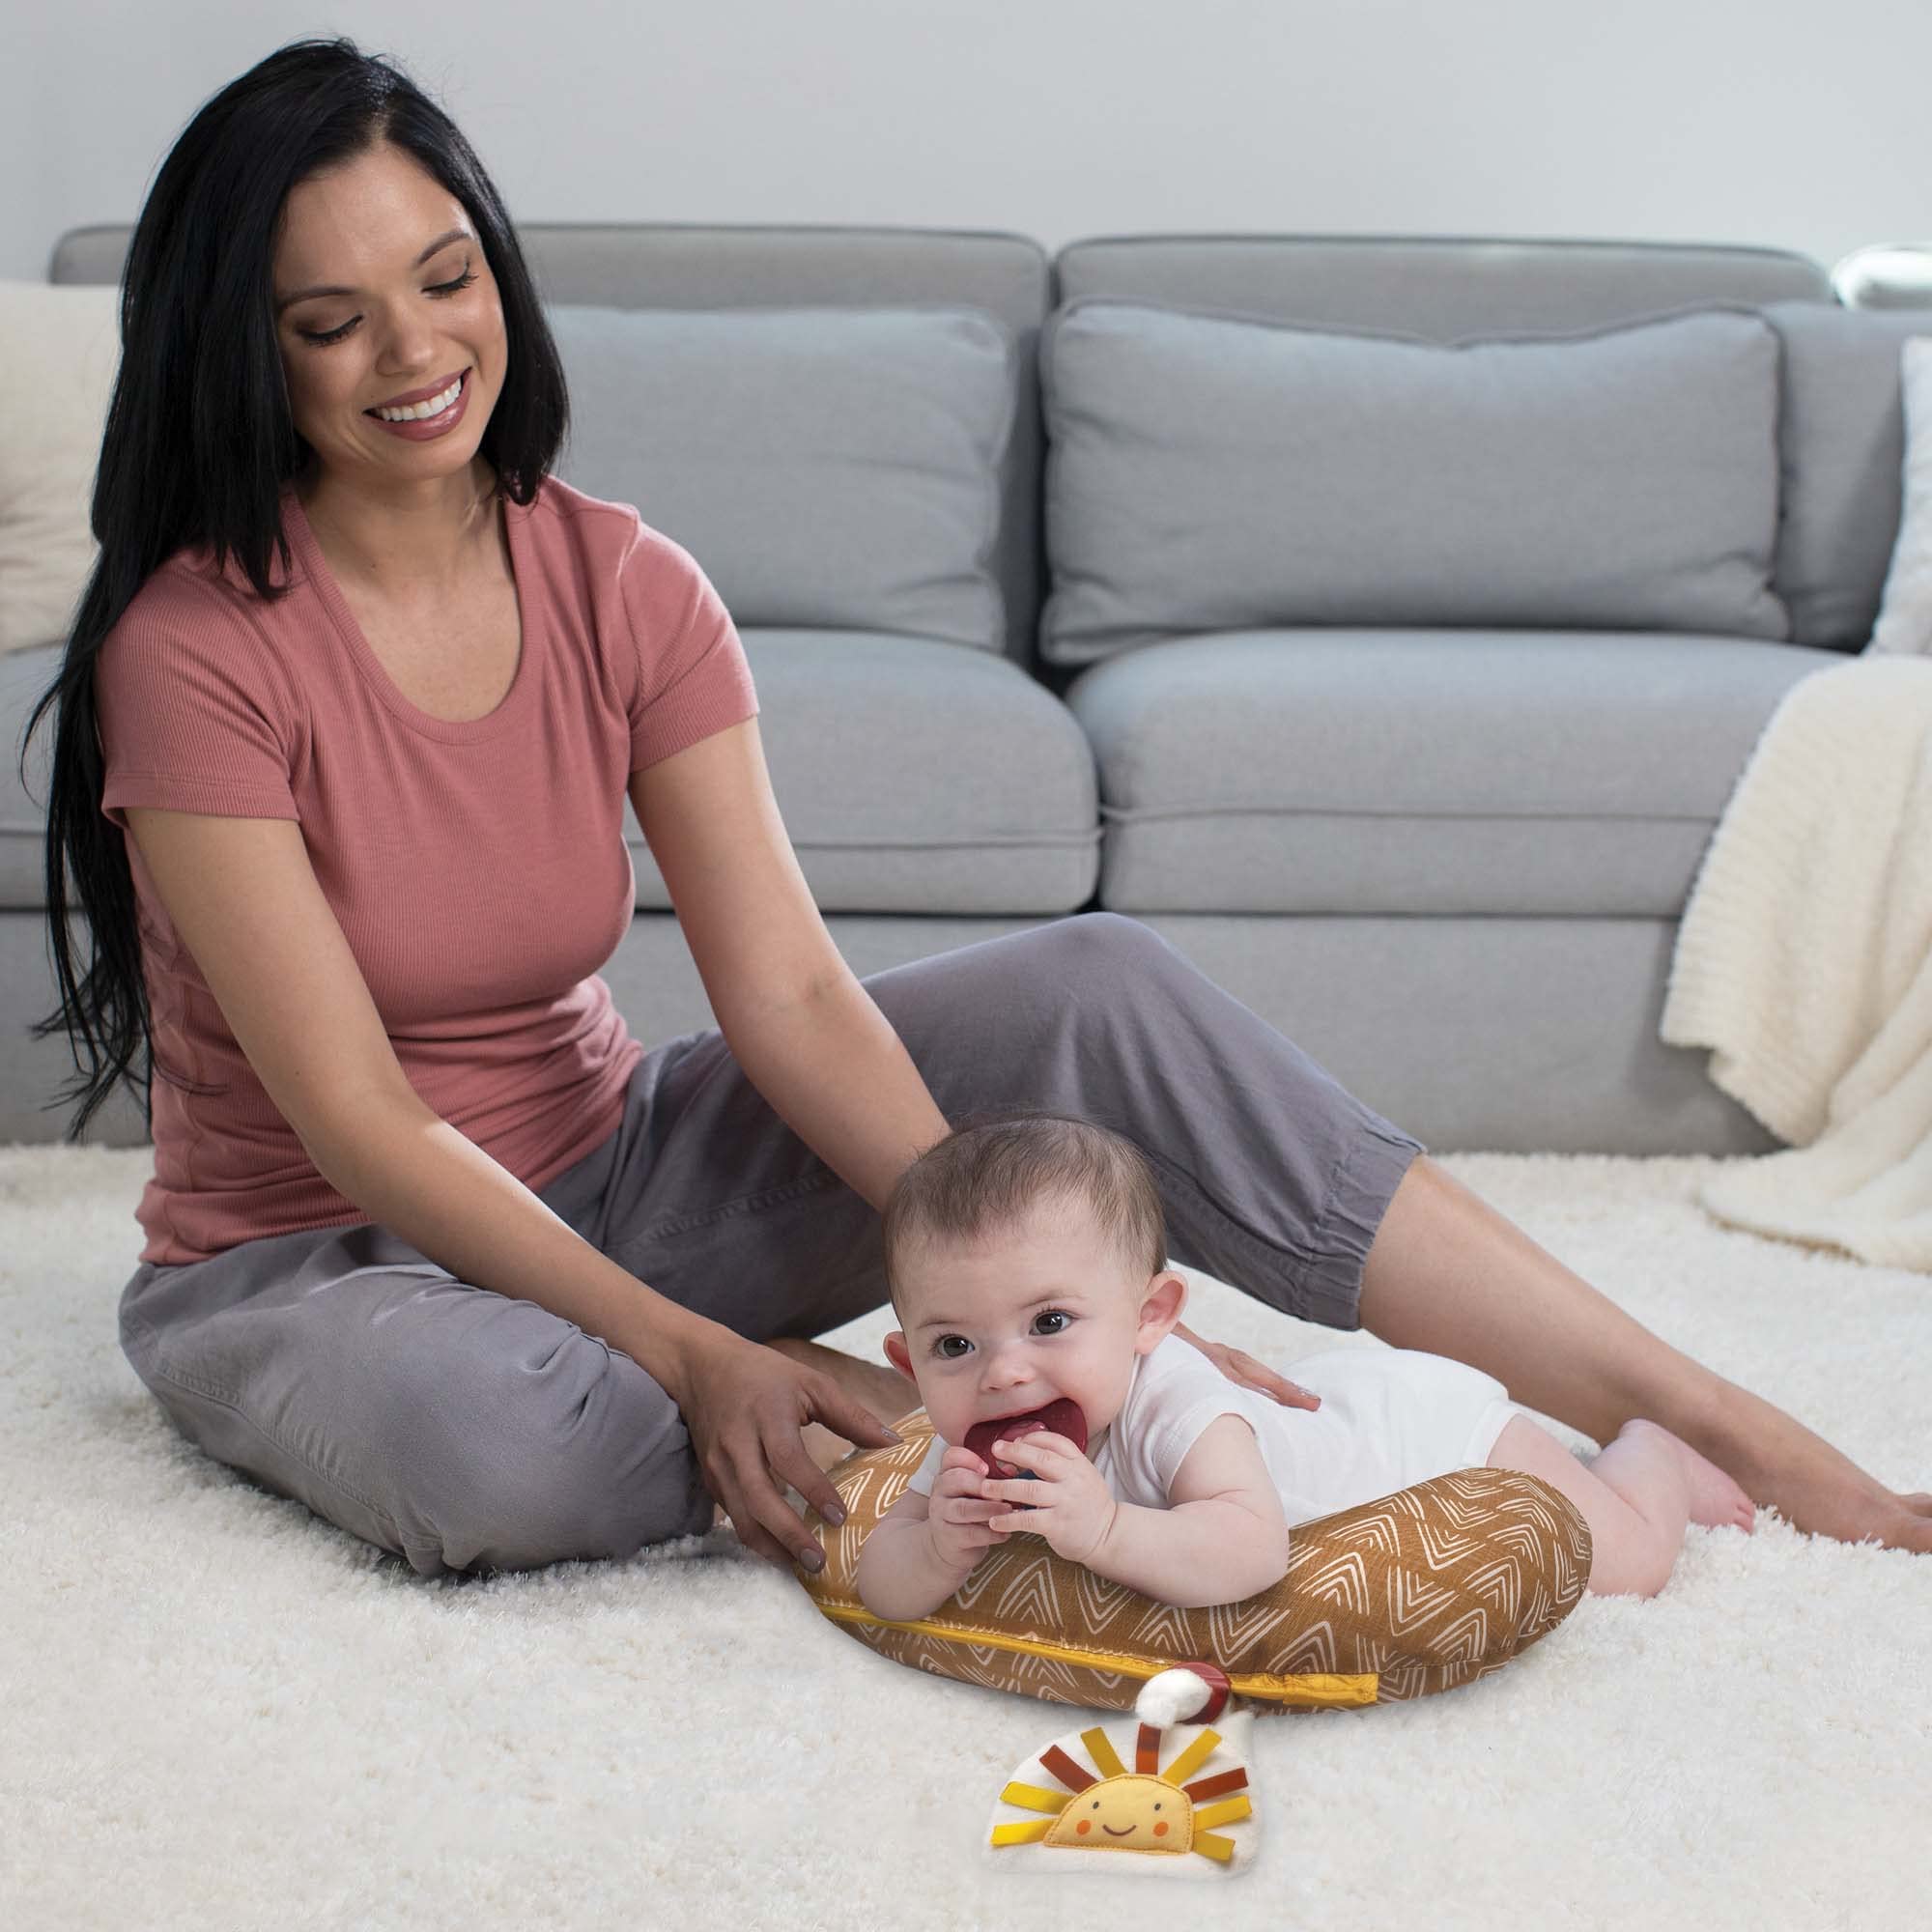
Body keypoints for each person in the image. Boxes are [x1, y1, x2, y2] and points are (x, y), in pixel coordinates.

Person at [22, 41, 1929, 1592]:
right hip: (328, 1263)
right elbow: (360, 1121)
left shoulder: (621, 579)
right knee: (514, 1452)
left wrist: (994, 1295)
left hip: (623, 1171)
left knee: (1097, 991)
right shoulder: (195, 649)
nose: (416, 352)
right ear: (245, 350)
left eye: (446, 281)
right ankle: (834, 1405)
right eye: (331, 321)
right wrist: (712, 1357)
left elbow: (787, 996)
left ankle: (1721, 1426)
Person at [857, 1112, 1757, 1621]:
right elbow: (880, 1582)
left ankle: (1652, 1453)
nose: (1004, 1375)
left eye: (1049, 1323)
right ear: (906, 1360)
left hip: (1424, 1436)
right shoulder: (969, 1443)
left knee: (1630, 1564)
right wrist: (935, 1545)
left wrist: (1105, 1532)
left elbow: (1250, 1549)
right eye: (954, 1346)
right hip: (1333, 1410)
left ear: (1151, 1318)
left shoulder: (1179, 1406)